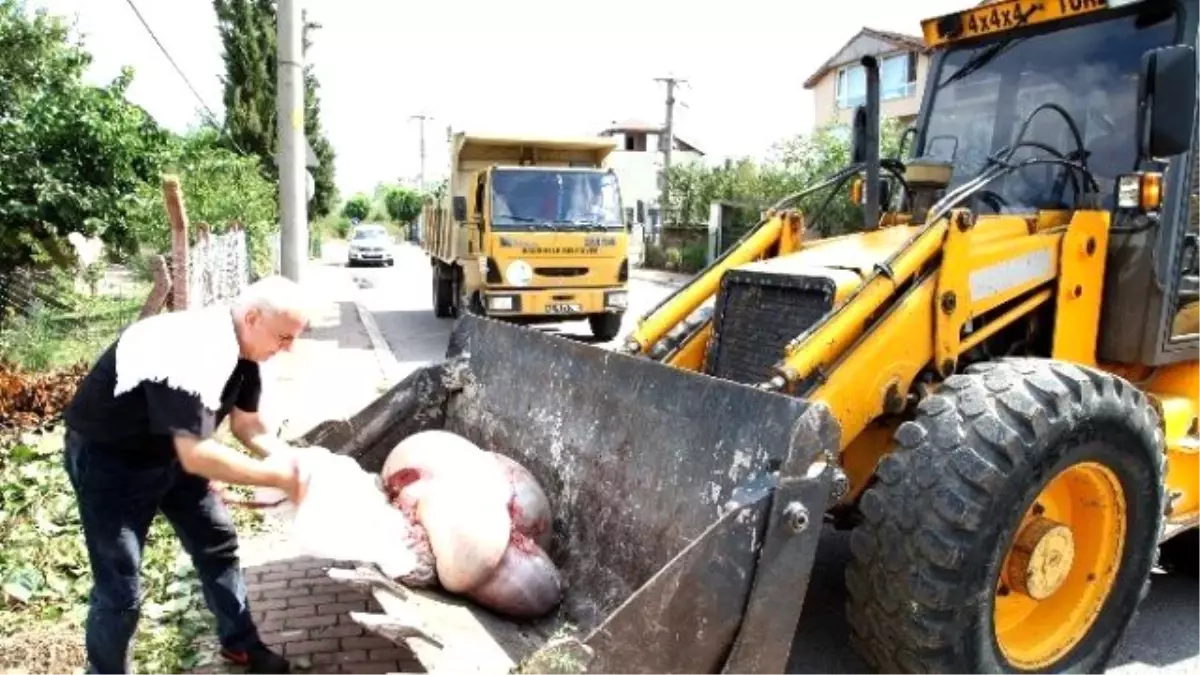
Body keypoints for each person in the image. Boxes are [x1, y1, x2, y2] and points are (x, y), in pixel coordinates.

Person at [61, 275, 318, 674]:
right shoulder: (195, 347)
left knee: (218, 542)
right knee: (121, 588)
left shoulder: (248, 353)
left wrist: (290, 462)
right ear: (252, 317)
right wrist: (280, 480)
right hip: (111, 460)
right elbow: (196, 455)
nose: (288, 348)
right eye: (284, 337)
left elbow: (246, 425)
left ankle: (241, 645)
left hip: (170, 453)